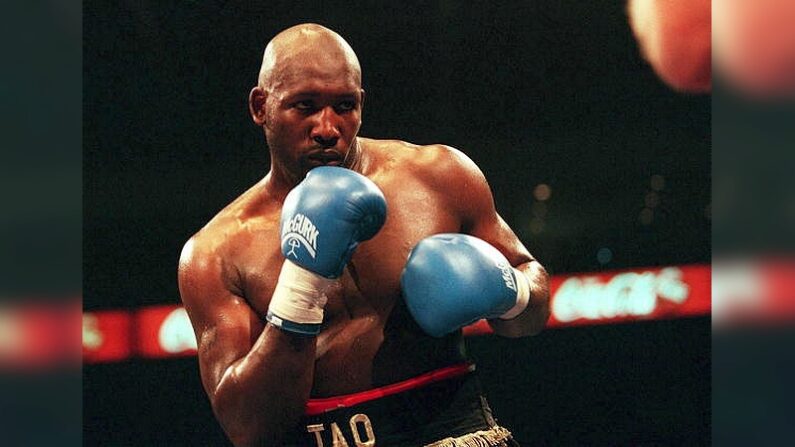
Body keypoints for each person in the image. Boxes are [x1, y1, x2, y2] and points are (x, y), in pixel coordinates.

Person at [178, 23, 550, 447]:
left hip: (458, 432)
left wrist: (511, 292)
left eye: (344, 106)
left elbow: (533, 307)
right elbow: (247, 426)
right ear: (260, 106)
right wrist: (303, 284)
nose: (327, 127)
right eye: (305, 106)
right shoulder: (216, 253)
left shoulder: (438, 177)